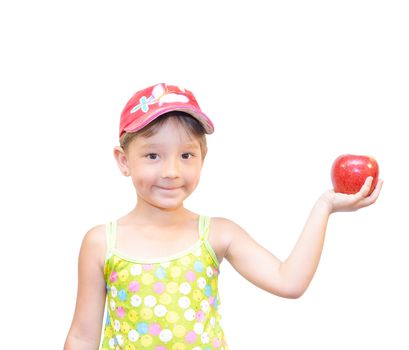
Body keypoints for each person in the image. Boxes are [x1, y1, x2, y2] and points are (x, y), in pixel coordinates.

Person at [64, 83, 383, 350]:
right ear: (123, 161)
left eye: (186, 155)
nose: (172, 171)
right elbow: (82, 336)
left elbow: (289, 282)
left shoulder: (217, 234)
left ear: (203, 158)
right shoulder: (102, 242)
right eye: (152, 155)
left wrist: (324, 206)